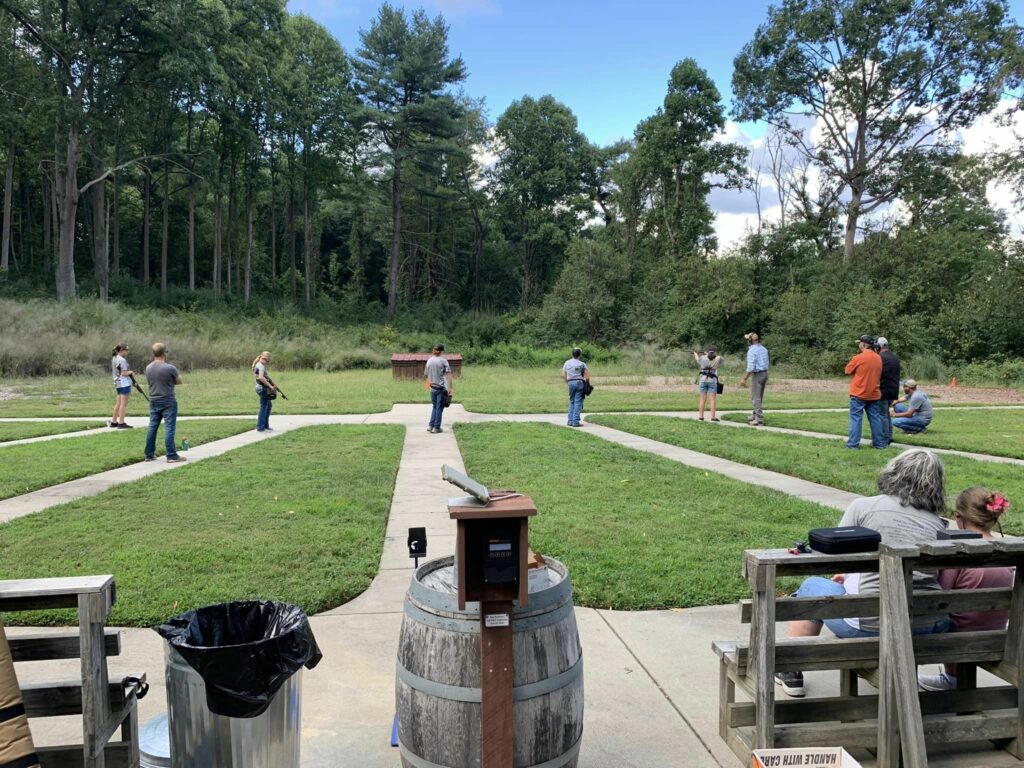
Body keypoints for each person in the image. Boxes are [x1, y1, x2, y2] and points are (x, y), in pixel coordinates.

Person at [775, 449, 951, 697]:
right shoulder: (939, 524)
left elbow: (835, 558)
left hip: (868, 625)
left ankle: (790, 669)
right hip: (925, 625)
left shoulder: (864, 507)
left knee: (811, 587)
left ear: (893, 473)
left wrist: (847, 576)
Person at [919, 487, 1014, 691]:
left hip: (956, 640)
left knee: (940, 617)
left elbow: (940, 595)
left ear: (958, 517)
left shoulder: (959, 551)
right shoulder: (1006, 553)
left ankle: (951, 678)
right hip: (997, 636)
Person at [144, 343, 185, 463]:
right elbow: (179, 381)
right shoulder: (170, 368)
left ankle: (149, 454)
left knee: (152, 427)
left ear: (153, 353)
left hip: (153, 400)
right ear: (164, 353)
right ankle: (171, 455)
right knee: (169, 427)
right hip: (168, 400)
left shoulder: (148, 367)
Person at [844, 335, 886, 449]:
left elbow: (847, 370)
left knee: (856, 418)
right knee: (875, 419)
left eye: (859, 343)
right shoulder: (878, 358)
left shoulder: (858, 357)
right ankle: (879, 444)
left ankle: (853, 444)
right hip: (874, 393)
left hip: (859, 393)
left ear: (863, 344)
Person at [739, 332, 769, 426]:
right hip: (764, 373)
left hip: (757, 374)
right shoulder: (764, 349)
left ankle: (759, 419)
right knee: (759, 396)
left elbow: (751, 368)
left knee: (756, 398)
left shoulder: (752, 351)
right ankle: (755, 415)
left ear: (750, 340)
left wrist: (744, 379)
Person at [877, 337, 901, 447]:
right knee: (886, 414)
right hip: (894, 390)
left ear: (878, 347)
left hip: (884, 390)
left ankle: (885, 438)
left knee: (882, 415)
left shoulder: (880, 358)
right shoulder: (895, 357)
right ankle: (889, 436)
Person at [425, 344, 453, 434]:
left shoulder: (429, 360)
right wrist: (450, 388)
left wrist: (428, 386)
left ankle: (430, 426)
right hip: (440, 388)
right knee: (439, 407)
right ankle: (437, 427)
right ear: (441, 351)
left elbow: (426, 375)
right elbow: (448, 374)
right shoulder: (443, 361)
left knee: (434, 406)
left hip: (432, 388)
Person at [561, 347, 590, 427]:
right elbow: (587, 377)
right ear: (580, 355)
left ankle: (570, 421)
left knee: (572, 401)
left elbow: (563, 375)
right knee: (578, 402)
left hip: (570, 382)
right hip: (580, 383)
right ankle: (576, 422)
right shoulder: (582, 364)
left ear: (572, 354)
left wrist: (568, 382)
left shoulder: (567, 363)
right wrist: (586, 384)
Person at [692, 345, 722, 421]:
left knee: (702, 399)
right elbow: (718, 358)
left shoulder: (703, 357)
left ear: (707, 351)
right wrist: (709, 354)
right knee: (712, 399)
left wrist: (696, 354)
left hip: (703, 379)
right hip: (712, 380)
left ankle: (701, 416)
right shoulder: (718, 358)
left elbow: (697, 359)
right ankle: (713, 417)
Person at [109, 343, 134, 429]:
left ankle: (114, 421)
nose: (127, 352)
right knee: (123, 404)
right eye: (126, 350)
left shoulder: (114, 358)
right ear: (121, 350)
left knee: (118, 403)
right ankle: (121, 423)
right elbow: (123, 373)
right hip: (124, 383)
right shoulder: (122, 360)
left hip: (117, 383)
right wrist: (130, 372)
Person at [252, 351, 276, 432]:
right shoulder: (261, 366)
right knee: (264, 406)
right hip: (262, 389)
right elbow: (261, 378)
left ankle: (265, 426)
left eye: (266, 360)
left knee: (268, 406)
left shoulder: (258, 364)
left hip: (260, 388)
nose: (265, 361)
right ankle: (261, 427)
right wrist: (270, 386)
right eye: (264, 359)